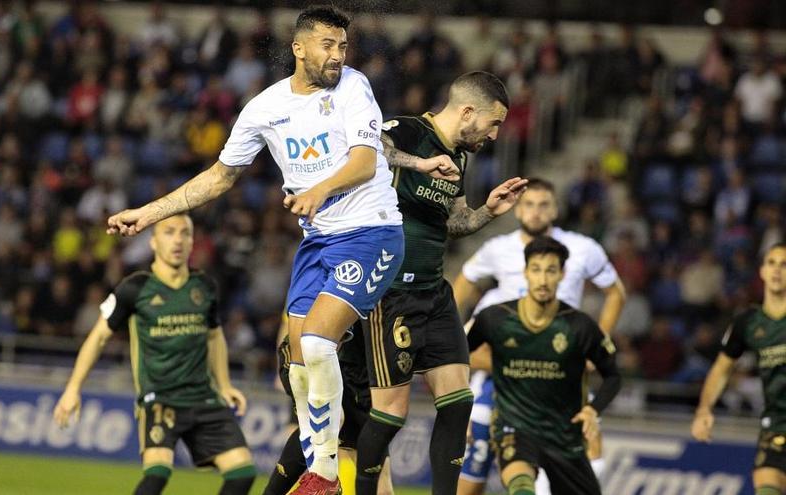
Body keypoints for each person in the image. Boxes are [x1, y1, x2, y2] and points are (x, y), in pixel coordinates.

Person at [105, 7, 457, 494]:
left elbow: (363, 160)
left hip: (372, 233)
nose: (337, 56)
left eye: (342, 46)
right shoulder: (265, 108)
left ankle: (326, 473)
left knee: (315, 342)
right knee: (295, 362)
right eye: (327, 46)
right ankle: (320, 461)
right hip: (318, 243)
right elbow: (220, 176)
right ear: (299, 48)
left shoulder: (353, 86)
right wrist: (149, 214)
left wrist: (318, 192)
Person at [354, 71, 528, 495]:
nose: (494, 134)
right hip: (390, 291)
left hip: (434, 292)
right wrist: (419, 162)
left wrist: (489, 210)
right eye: (493, 122)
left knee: (458, 402)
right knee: (391, 414)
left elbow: (454, 223)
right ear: (468, 111)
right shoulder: (408, 130)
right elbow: (368, 149)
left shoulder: (460, 157)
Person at [53, 214, 255, 495]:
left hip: (202, 396)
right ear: (153, 241)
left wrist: (224, 385)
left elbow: (214, 335)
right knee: (157, 475)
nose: (178, 240)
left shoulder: (204, 287)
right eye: (169, 232)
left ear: (192, 242)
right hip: (160, 399)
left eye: (185, 233)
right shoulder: (135, 288)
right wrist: (73, 388)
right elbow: (98, 337)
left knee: (242, 474)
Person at [452, 178, 625, 495]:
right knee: (476, 466)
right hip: (503, 361)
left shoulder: (582, 249)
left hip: (560, 364)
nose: (535, 212)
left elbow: (616, 294)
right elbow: (461, 290)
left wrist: (597, 342)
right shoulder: (498, 252)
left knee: (588, 444)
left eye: (543, 204)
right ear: (518, 210)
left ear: (556, 209)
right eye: (529, 204)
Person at [692, 243, 786, 495]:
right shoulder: (748, 322)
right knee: (767, 485)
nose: (777, 270)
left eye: (784, 264)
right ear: (762, 272)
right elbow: (722, 368)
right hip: (775, 424)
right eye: (772, 263)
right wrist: (704, 409)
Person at [265, 317, 394, 495]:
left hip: (364, 384)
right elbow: (292, 317)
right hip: (320, 365)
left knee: (383, 489)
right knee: (322, 425)